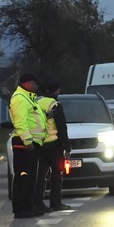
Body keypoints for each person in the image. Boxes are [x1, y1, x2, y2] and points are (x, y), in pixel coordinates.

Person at [9, 72, 47, 219]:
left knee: (30, 177)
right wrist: (27, 141)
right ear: (29, 83)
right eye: (35, 84)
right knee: (22, 176)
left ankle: (29, 206)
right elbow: (20, 123)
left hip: (32, 143)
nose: (37, 87)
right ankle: (20, 209)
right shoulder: (19, 99)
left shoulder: (29, 98)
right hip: (24, 144)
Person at [35, 81, 72, 212]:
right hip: (54, 145)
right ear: (56, 91)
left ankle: (38, 203)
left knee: (40, 176)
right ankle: (55, 203)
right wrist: (67, 148)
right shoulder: (55, 105)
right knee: (57, 175)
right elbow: (62, 128)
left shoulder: (37, 103)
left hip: (39, 144)